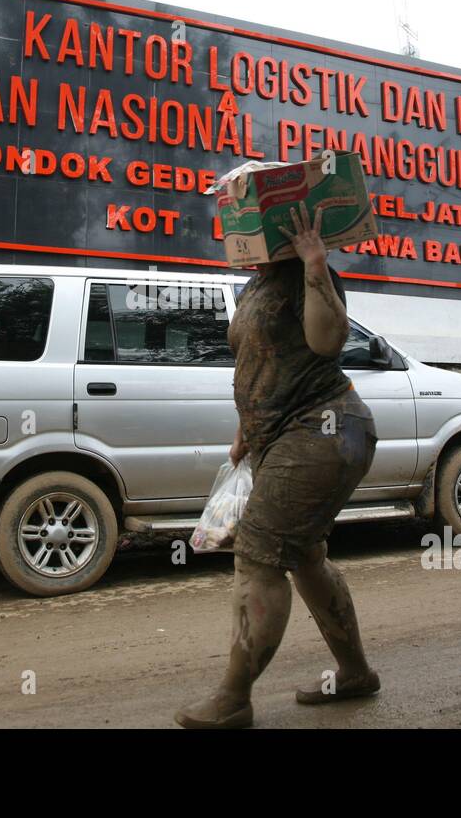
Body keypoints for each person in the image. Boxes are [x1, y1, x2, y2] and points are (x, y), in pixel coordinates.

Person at [175, 203, 380, 728]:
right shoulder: (255, 286)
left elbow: (327, 342)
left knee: (259, 555)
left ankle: (234, 698)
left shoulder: (312, 275)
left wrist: (315, 262)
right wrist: (246, 429)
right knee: (305, 555)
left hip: (327, 426)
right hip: (277, 436)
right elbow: (261, 359)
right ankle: (355, 671)